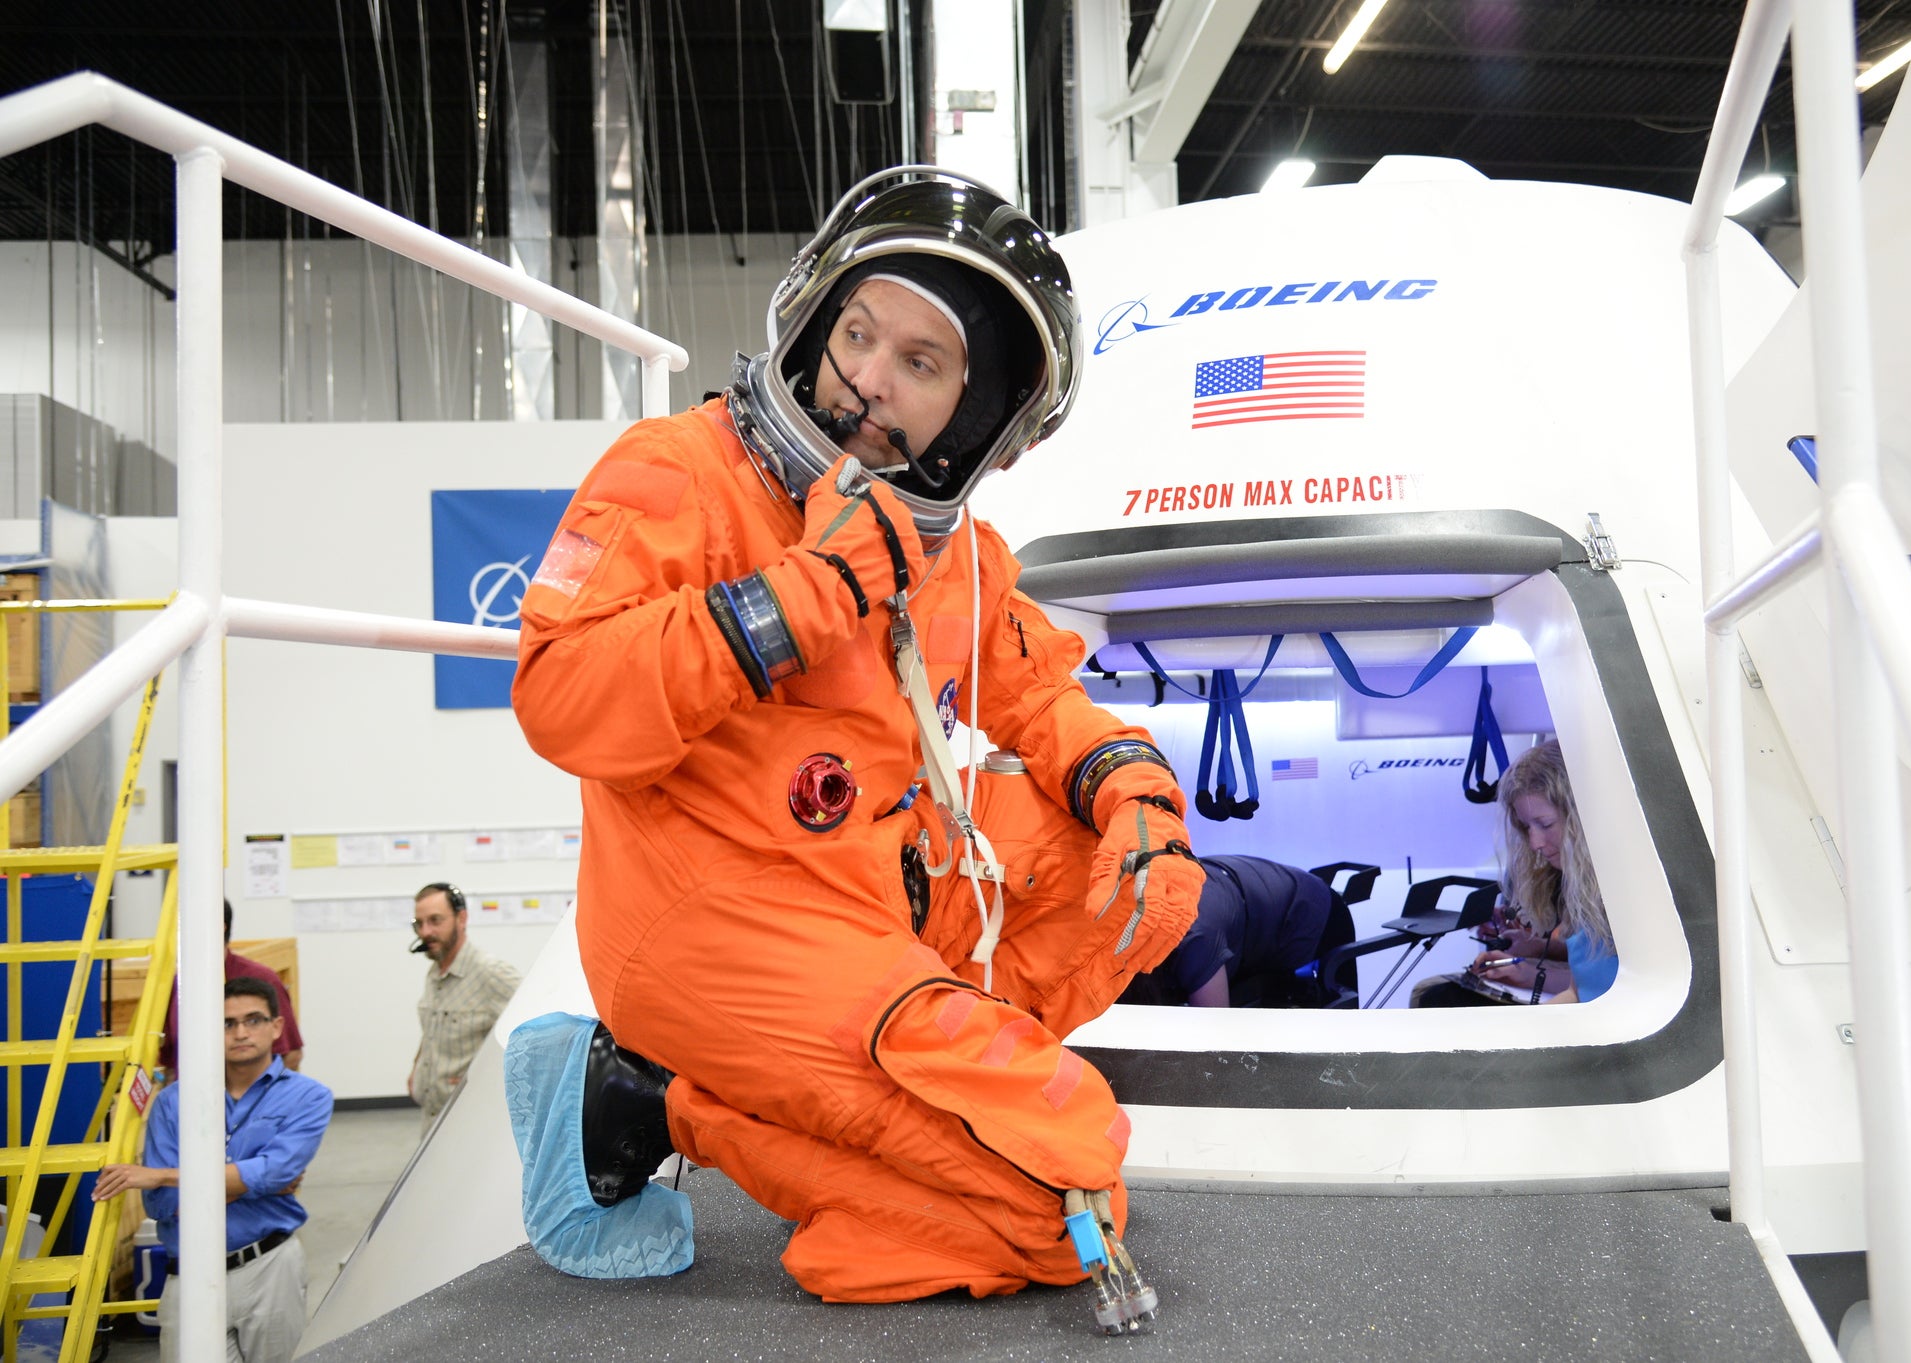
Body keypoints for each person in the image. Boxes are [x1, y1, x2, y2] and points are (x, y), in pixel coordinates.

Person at [509, 168, 1204, 1317]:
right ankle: (661, 1104)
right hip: (715, 915)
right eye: (859, 334)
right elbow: (561, 696)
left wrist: (1132, 789)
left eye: (920, 365)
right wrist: (794, 597)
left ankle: (898, 1121)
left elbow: (1038, 693)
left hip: (869, 896)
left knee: (1123, 869)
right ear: (814, 318)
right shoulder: (676, 471)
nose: (866, 381)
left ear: (980, 426)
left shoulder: (953, 551)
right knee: (1060, 1203)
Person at [94, 977, 334, 1363]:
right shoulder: (173, 1102)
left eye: (253, 1020)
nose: (240, 1032)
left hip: (269, 1267)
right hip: (188, 1275)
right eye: (227, 1023)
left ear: (276, 1026)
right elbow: (161, 1205)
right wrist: (249, 1180)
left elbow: (271, 1174)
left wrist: (165, 1174)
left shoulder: (309, 1097)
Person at [1414, 739, 1616, 1006]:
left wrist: (1530, 975)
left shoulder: (1625, 893)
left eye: (1545, 824)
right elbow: (1577, 992)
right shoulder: (1582, 890)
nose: (1535, 843)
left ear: (1582, 815)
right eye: (1527, 827)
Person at [1119, 855, 1352, 1007]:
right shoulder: (1120, 921)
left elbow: (1215, 1046)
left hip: (1314, 913)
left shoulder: (1194, 942)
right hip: (1240, 900)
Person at [408, 882, 522, 1131]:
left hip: (472, 1123)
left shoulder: (491, 973)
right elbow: (433, 1029)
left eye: (435, 920)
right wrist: (418, 1067)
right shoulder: (435, 972)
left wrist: (488, 1081)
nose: (426, 931)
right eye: (419, 923)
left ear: (462, 918)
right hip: (433, 1119)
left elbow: (533, 1032)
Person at [159, 901, 303, 1078]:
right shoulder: (177, 985)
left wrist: (249, 1101)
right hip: (192, 1102)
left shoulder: (261, 978)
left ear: (219, 927)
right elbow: (171, 1065)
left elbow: (291, 1055)